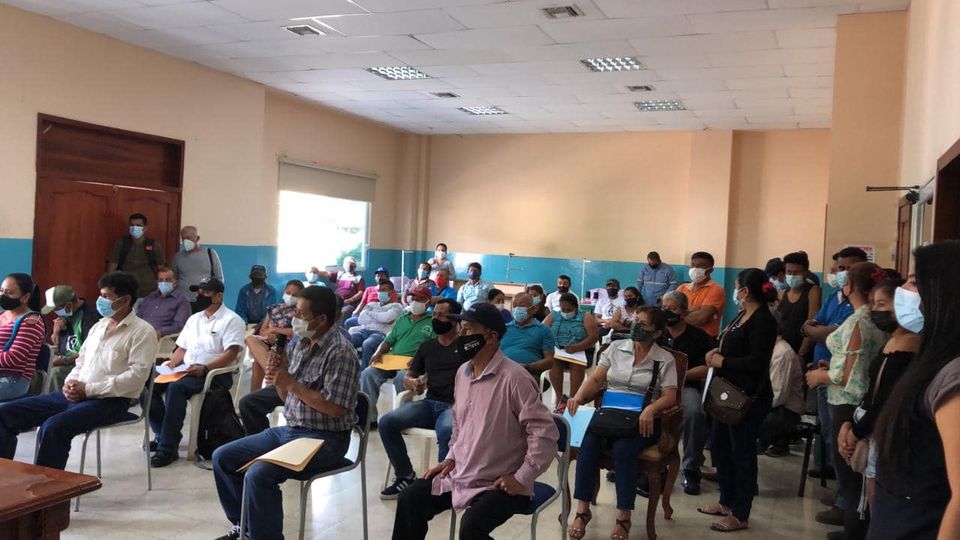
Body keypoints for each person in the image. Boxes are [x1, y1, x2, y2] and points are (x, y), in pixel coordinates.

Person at [392, 303, 558, 540]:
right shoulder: (463, 372)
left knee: (471, 526)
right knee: (411, 498)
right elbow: (459, 423)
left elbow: (544, 434)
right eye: (461, 327)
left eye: (468, 329)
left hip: (500, 480)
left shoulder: (515, 379)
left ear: (490, 336)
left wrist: (521, 478)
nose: (461, 334)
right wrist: (451, 457)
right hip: (463, 472)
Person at [212, 286, 360, 540]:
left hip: (326, 439)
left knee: (259, 474)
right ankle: (245, 526)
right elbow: (285, 397)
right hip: (292, 430)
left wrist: (291, 383)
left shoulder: (341, 352)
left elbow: (335, 408)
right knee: (223, 457)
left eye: (301, 314)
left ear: (321, 319)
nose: (294, 318)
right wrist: (279, 376)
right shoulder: (300, 343)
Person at [0, 272, 157, 469]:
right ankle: (5, 473)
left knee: (54, 427)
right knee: (5, 414)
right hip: (75, 395)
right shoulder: (99, 326)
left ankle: (47, 484)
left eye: (106, 296)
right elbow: (81, 362)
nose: (100, 301)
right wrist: (70, 383)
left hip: (111, 401)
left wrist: (88, 389)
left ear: (125, 300)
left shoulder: (142, 332)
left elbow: (136, 377)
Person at [870, 241, 960, 540]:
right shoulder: (929, 359)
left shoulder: (953, 375)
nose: (902, 291)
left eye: (913, 282)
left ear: (942, 293)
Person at [567, 308, 678, 540]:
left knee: (624, 449)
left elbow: (670, 396)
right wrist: (578, 397)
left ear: (657, 333)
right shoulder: (616, 348)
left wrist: (651, 409)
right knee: (588, 444)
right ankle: (582, 510)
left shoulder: (664, 358)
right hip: (609, 416)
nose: (636, 326)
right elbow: (596, 378)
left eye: (643, 324)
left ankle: (623, 516)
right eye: (635, 321)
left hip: (642, 420)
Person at [806, 262, 887, 539]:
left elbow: (848, 376)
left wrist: (820, 376)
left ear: (849, 286)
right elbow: (858, 363)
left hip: (848, 402)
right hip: (861, 398)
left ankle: (854, 531)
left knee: (851, 478)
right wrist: (831, 365)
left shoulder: (858, 321)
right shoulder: (874, 318)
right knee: (858, 477)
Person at [698, 268, 777, 532]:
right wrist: (717, 352)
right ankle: (726, 500)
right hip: (727, 392)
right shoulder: (743, 314)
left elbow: (757, 362)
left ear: (745, 291)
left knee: (742, 454)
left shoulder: (763, 320)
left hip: (748, 397)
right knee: (720, 447)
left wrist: (724, 361)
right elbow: (732, 344)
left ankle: (741, 513)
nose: (735, 292)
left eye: (736, 287)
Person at [836, 278, 919, 526]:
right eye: (873, 303)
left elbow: (886, 401)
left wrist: (857, 431)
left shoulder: (910, 348)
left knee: (880, 509)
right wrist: (849, 424)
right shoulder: (892, 340)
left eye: (882, 304)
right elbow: (873, 390)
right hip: (867, 425)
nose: (876, 310)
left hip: (881, 432)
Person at [149, 277, 245, 467]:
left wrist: (206, 368)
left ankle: (167, 448)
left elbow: (231, 354)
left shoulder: (231, 320)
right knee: (147, 384)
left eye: (206, 293)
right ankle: (162, 434)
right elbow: (182, 348)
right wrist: (171, 364)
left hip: (213, 374)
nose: (200, 296)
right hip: (186, 369)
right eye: (198, 292)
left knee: (176, 388)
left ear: (219, 296)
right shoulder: (194, 319)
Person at [799, 248, 866, 499]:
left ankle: (846, 501)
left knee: (845, 441)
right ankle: (841, 492)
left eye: (850, 269)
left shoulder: (859, 313)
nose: (843, 274)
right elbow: (811, 325)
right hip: (825, 370)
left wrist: (815, 330)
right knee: (829, 433)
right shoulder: (833, 297)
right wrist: (815, 330)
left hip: (844, 385)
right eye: (840, 268)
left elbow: (826, 333)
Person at [379, 299, 463, 499]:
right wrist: (412, 383)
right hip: (429, 404)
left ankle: (444, 483)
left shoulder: (466, 347)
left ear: (454, 320)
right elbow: (409, 376)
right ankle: (405, 475)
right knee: (387, 422)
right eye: (435, 314)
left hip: (455, 406)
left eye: (441, 315)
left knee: (447, 430)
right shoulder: (427, 346)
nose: (435, 318)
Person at [659, 290, 712, 495]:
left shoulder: (698, 336)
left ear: (684, 311)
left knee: (694, 414)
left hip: (685, 387)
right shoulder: (657, 334)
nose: (667, 312)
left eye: (672, 309)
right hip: (658, 388)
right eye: (664, 308)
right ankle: (641, 462)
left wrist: (680, 376)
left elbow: (707, 368)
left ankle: (691, 468)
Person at [362, 286, 435, 423]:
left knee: (401, 378)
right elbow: (389, 340)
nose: (415, 302)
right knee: (368, 374)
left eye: (420, 299)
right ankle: (368, 420)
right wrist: (378, 352)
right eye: (413, 298)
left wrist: (419, 359)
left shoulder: (432, 321)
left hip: (415, 363)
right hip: (393, 359)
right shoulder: (403, 318)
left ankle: (405, 419)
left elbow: (434, 346)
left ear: (428, 302)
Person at [544, 293, 598, 413]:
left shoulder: (586, 316)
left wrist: (577, 347)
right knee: (553, 362)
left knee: (576, 365)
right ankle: (559, 399)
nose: (565, 312)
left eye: (569, 310)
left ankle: (572, 399)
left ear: (576, 308)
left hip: (581, 351)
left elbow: (593, 337)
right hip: (558, 351)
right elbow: (542, 331)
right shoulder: (554, 315)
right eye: (563, 309)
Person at [247, 279, 304, 392]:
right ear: (284, 291)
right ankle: (272, 373)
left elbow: (298, 331)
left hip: (288, 343)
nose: (290, 296)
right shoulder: (273, 309)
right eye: (288, 293)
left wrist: (275, 330)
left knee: (257, 364)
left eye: (295, 295)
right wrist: (270, 335)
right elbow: (263, 331)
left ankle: (257, 392)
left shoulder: (300, 312)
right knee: (250, 338)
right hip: (269, 341)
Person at [42, 284, 101, 392]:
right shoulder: (66, 315)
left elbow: (89, 353)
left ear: (68, 305)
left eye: (56, 309)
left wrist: (64, 360)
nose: (55, 313)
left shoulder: (90, 318)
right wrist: (56, 332)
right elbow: (58, 346)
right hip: (65, 358)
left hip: (81, 362)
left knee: (56, 373)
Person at [758, 331, 805, 457]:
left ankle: (776, 442)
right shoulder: (769, 349)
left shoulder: (782, 353)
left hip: (785, 410)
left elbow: (777, 395)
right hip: (773, 404)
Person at [0, 274, 44, 402]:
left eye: (9, 293)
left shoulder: (31, 322)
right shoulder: (1, 315)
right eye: (1, 290)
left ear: (25, 297)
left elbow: (13, 358)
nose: (3, 295)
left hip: (14, 380)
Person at [106, 213, 165, 298]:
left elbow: (161, 270)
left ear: (145, 228)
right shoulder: (121, 244)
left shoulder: (154, 245)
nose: (134, 228)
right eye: (132, 225)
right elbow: (112, 267)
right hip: (125, 291)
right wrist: (110, 288)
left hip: (149, 291)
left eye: (138, 225)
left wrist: (162, 289)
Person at [500, 292, 555, 379]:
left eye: (521, 306)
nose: (517, 309)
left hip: (528, 373)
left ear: (533, 309)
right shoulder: (503, 329)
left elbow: (550, 361)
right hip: (501, 371)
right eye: (514, 306)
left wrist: (528, 366)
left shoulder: (544, 330)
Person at [349, 280, 403, 368]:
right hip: (364, 331)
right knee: (348, 341)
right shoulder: (371, 304)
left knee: (367, 344)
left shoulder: (396, 306)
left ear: (391, 292)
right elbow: (361, 320)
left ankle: (365, 372)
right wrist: (380, 317)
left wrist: (370, 314)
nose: (380, 293)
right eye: (379, 290)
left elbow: (386, 318)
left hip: (380, 334)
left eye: (383, 290)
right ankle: (351, 369)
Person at [778, 251, 822, 353]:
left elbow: (812, 325)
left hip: (803, 350)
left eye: (797, 272)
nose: (792, 275)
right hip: (784, 350)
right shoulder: (782, 293)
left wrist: (801, 353)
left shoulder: (813, 291)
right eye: (789, 272)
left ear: (806, 273)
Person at [171, 225, 223, 304]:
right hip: (183, 301)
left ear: (197, 238)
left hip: (206, 300)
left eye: (188, 238)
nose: (185, 241)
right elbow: (173, 278)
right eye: (183, 238)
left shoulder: (210, 254)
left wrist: (217, 298)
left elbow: (219, 278)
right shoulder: (178, 257)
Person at [678, 251, 725, 338]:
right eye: (692, 265)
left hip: (705, 339)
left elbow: (701, 318)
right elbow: (670, 312)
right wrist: (696, 309)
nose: (694, 269)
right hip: (682, 337)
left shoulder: (716, 289)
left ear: (710, 270)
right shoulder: (682, 288)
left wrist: (680, 316)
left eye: (700, 266)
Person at [136, 266, 191, 339]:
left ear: (175, 282)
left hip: (159, 338)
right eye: (161, 280)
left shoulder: (181, 300)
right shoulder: (150, 297)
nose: (164, 283)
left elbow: (179, 325)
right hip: (138, 334)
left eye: (168, 280)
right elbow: (138, 317)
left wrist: (160, 332)